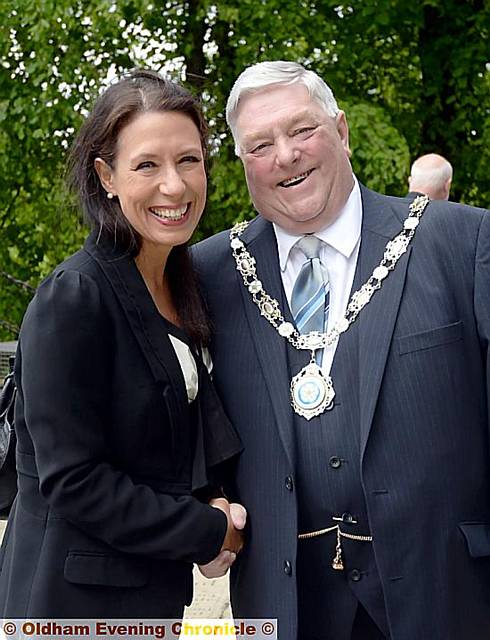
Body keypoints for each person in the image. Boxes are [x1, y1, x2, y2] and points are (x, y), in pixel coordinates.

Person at [193, 61, 490, 640]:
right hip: (287, 607)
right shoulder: (207, 275)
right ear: (243, 163)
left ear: (343, 131)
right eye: (260, 144)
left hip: (443, 596)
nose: (286, 155)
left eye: (302, 130)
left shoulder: (462, 242)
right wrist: (200, 506)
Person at [0, 68, 246, 617]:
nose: (174, 186)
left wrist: (214, 499)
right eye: (146, 166)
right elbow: (76, 480)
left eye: (189, 160)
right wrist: (205, 531)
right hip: (69, 606)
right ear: (106, 176)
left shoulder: (185, 284)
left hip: (147, 598)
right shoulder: (74, 297)